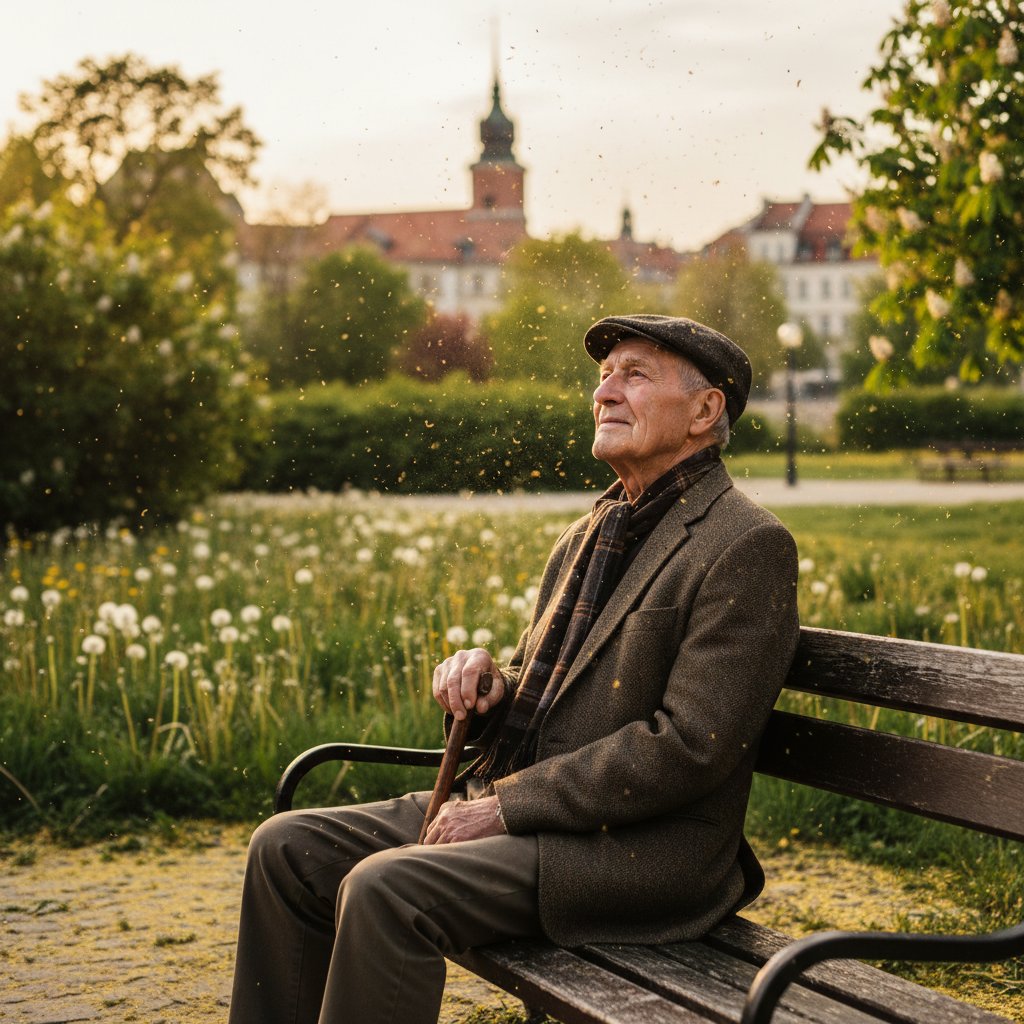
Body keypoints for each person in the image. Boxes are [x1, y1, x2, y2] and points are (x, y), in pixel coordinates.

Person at [228, 314, 800, 1024]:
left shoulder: (746, 543)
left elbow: (691, 744)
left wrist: (505, 807)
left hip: (634, 855)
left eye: (635, 375)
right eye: (602, 377)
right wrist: (491, 684)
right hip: (529, 816)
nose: (605, 393)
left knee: (386, 888)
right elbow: (547, 686)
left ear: (706, 410)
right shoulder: (590, 533)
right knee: (285, 849)